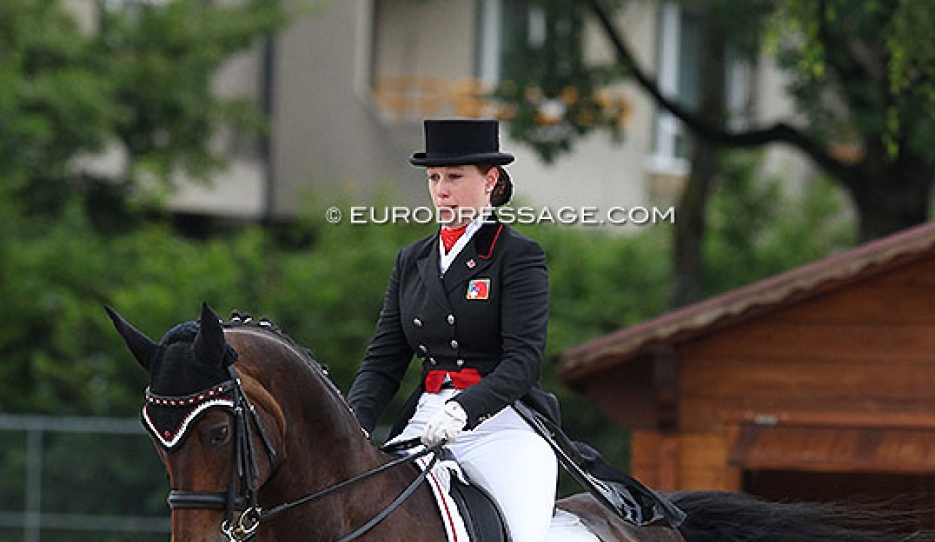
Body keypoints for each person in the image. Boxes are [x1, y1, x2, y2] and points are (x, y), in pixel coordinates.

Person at [348, 118, 559, 541]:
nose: (441, 190)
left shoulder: (516, 256)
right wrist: (350, 426)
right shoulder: (412, 260)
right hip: (423, 423)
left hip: (501, 427)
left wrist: (465, 409)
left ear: (490, 180)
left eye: (455, 177)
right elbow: (382, 363)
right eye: (434, 177)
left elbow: (524, 361)